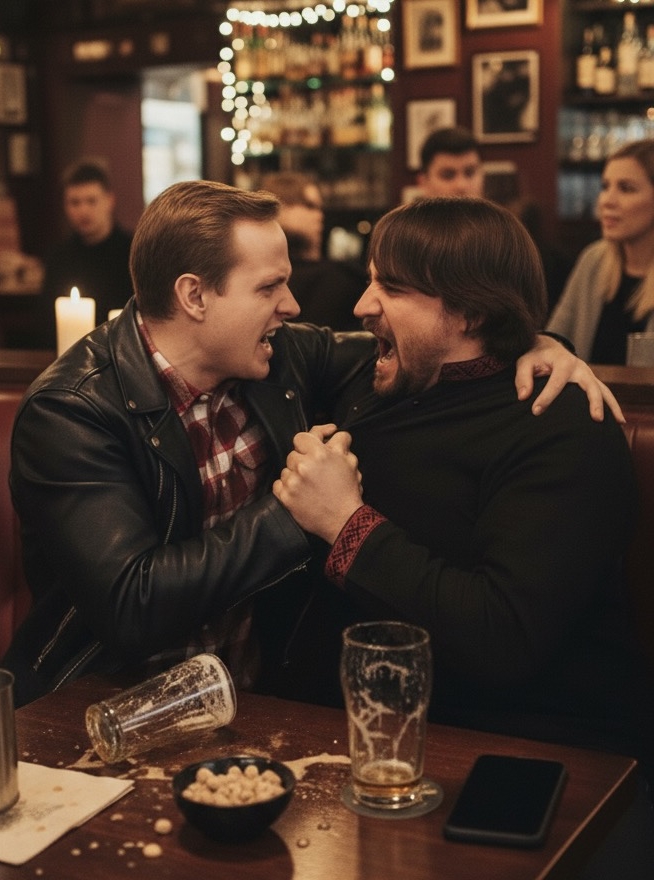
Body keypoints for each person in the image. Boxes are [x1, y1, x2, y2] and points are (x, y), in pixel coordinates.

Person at [2, 179, 617, 709]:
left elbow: (458, 352)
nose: (295, 306)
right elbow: (132, 606)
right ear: (194, 296)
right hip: (98, 702)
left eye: (391, 286)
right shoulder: (73, 411)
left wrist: (540, 342)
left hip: (260, 703)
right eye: (269, 287)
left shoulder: (277, 358)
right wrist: (297, 512)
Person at [272, 197, 653, 793]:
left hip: (523, 752)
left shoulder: (560, 427)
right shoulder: (382, 376)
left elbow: (502, 638)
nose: (363, 305)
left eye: (392, 288)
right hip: (348, 732)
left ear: (472, 312)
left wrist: (344, 522)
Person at [417, 126, 572, 313]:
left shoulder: (510, 241)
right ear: (423, 183)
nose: (461, 185)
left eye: (470, 172)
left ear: (482, 175)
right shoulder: (410, 244)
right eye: (448, 175)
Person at [548, 139, 654, 364]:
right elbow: (552, 343)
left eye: (626, 188)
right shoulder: (593, 260)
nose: (607, 201)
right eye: (605, 187)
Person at [36, 158, 134, 347]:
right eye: (75, 202)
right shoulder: (59, 257)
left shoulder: (133, 251)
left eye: (91, 201)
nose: (83, 210)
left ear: (109, 201)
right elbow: (46, 321)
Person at [259, 171, 365, 330]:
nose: (319, 215)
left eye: (319, 208)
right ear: (279, 208)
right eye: (310, 206)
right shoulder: (258, 275)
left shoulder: (341, 277)